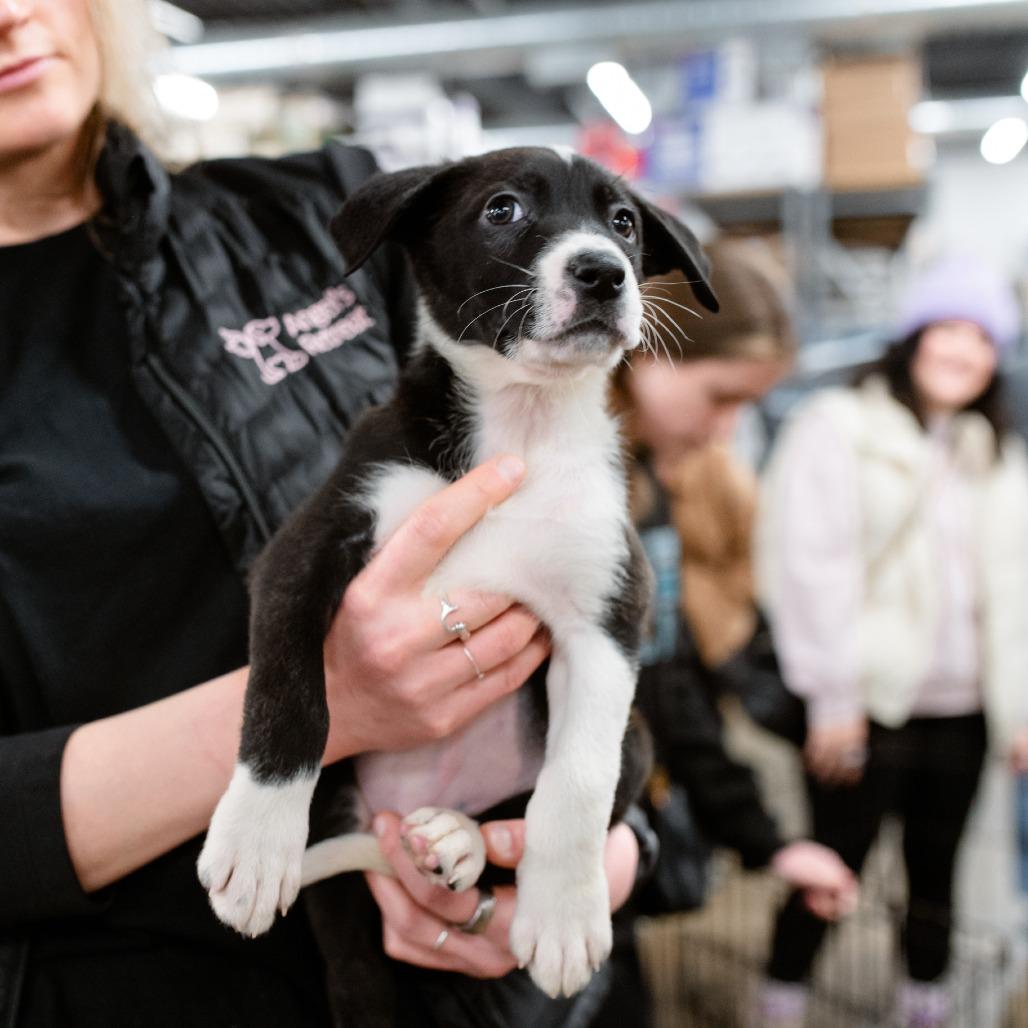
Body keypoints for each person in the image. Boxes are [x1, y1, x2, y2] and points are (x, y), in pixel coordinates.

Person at [0, 2, 647, 1025]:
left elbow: (594, 573)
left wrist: (602, 842)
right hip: (133, 987)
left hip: (469, 968)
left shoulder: (311, 210)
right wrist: (325, 706)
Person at [590, 241, 859, 1028]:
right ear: (648, 347)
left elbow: (662, 675)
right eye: (721, 396)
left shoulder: (649, 493)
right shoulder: (566, 486)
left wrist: (763, 840)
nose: (725, 429)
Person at [755, 255, 1028, 1028]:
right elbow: (809, 569)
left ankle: (925, 1008)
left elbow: (1013, 594)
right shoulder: (837, 427)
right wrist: (832, 698)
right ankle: (778, 1002)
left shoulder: (994, 452)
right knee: (827, 872)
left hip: (965, 711)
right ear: (911, 337)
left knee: (935, 878)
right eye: (947, 328)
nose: (962, 350)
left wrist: (1018, 708)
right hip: (865, 709)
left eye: (981, 337)